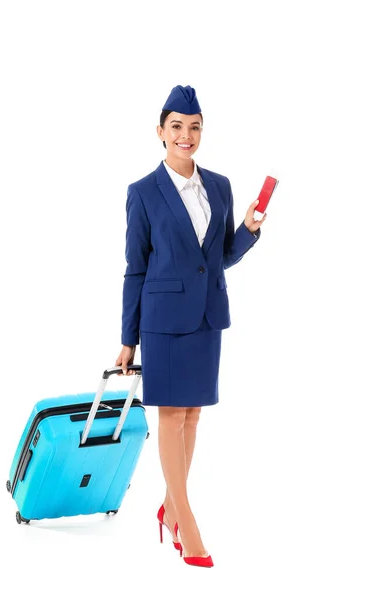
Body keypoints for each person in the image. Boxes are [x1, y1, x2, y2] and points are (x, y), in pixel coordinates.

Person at [115, 85, 266, 567]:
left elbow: (218, 258)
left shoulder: (219, 185)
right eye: (176, 126)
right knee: (172, 416)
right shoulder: (142, 192)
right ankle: (186, 518)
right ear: (160, 132)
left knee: (194, 415)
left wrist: (249, 230)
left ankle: (169, 506)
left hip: (206, 317)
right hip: (162, 322)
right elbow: (135, 267)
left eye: (194, 126)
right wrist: (127, 338)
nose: (186, 135)